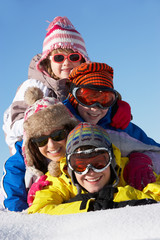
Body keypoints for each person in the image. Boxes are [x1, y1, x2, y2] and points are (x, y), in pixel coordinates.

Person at [3, 16, 130, 156]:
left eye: (73, 57)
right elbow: (15, 126)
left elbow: (100, 99)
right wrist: (45, 119)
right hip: (35, 149)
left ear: (82, 60)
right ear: (48, 62)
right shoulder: (35, 85)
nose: (66, 63)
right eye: (59, 58)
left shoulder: (83, 85)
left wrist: (116, 106)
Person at [28, 122, 159, 215]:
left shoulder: (130, 171)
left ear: (112, 160)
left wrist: (118, 196)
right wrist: (89, 206)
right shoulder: (60, 181)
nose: (90, 171)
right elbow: (39, 211)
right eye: (80, 164)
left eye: (99, 162)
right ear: (69, 167)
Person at [63, 62, 160, 182]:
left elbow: (156, 151)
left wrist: (143, 160)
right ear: (74, 97)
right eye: (88, 98)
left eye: (105, 99)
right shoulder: (61, 125)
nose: (96, 107)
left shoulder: (118, 129)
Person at [1, 87, 78, 211]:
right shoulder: (19, 169)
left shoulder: (85, 156)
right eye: (41, 140)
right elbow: (15, 206)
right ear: (32, 143)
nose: (52, 145)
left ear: (69, 130)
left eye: (58, 135)